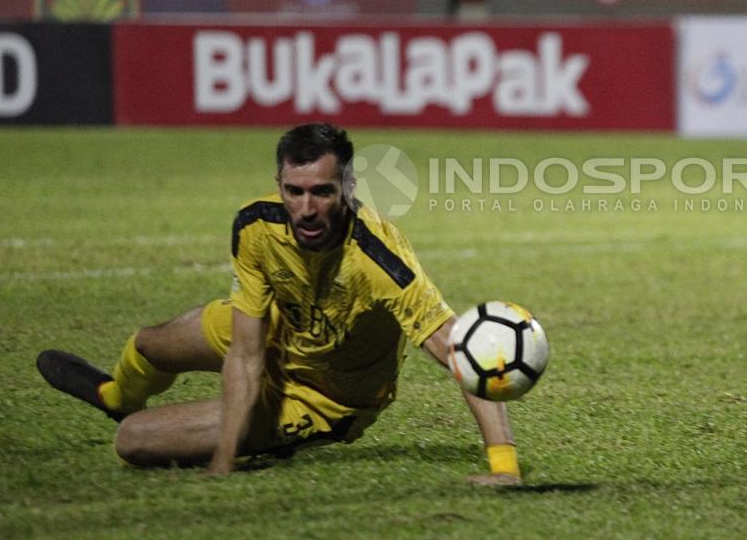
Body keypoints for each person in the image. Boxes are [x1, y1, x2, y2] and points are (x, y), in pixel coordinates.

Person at [37, 123, 522, 483]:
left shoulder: (380, 261)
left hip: (327, 394)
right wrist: (221, 459)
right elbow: (246, 352)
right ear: (279, 183)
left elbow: (464, 354)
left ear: (348, 189)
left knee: (134, 441)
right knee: (149, 346)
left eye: (322, 193)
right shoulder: (256, 226)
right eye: (294, 191)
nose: (306, 209)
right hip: (278, 333)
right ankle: (114, 397)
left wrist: (504, 464)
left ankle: (271, 434)